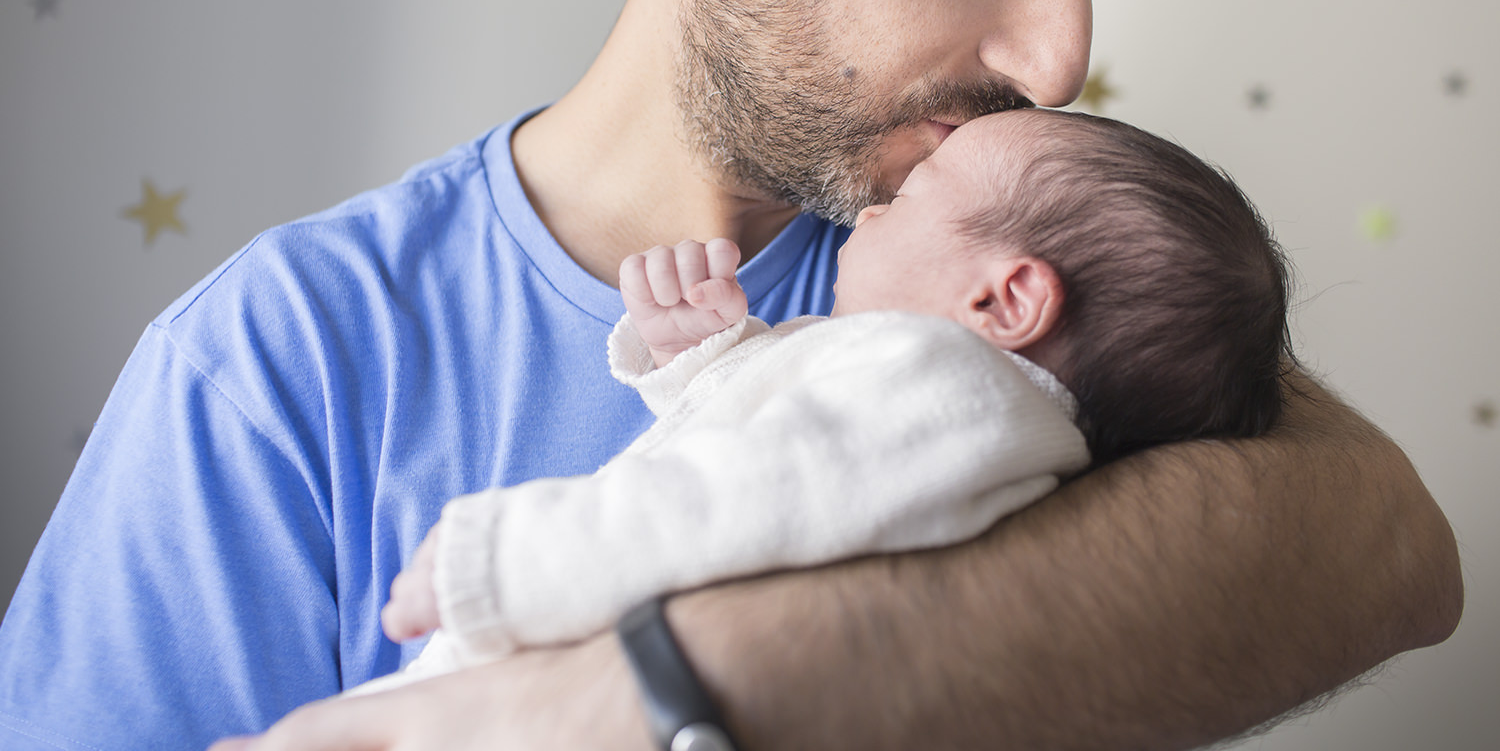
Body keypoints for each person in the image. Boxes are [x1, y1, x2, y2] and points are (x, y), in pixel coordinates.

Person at [0, 0, 1461, 749]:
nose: (1064, 59)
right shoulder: (281, 365)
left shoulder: (1033, 285)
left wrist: (665, 692)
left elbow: (1386, 541)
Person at [354, 108, 1292, 694]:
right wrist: (709, 354)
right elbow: (786, 456)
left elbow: (733, 504)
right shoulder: (959, 418)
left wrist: (500, 561)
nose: (873, 211)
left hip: (533, 661)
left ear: (1004, 300)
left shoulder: (950, 387)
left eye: (917, 196)